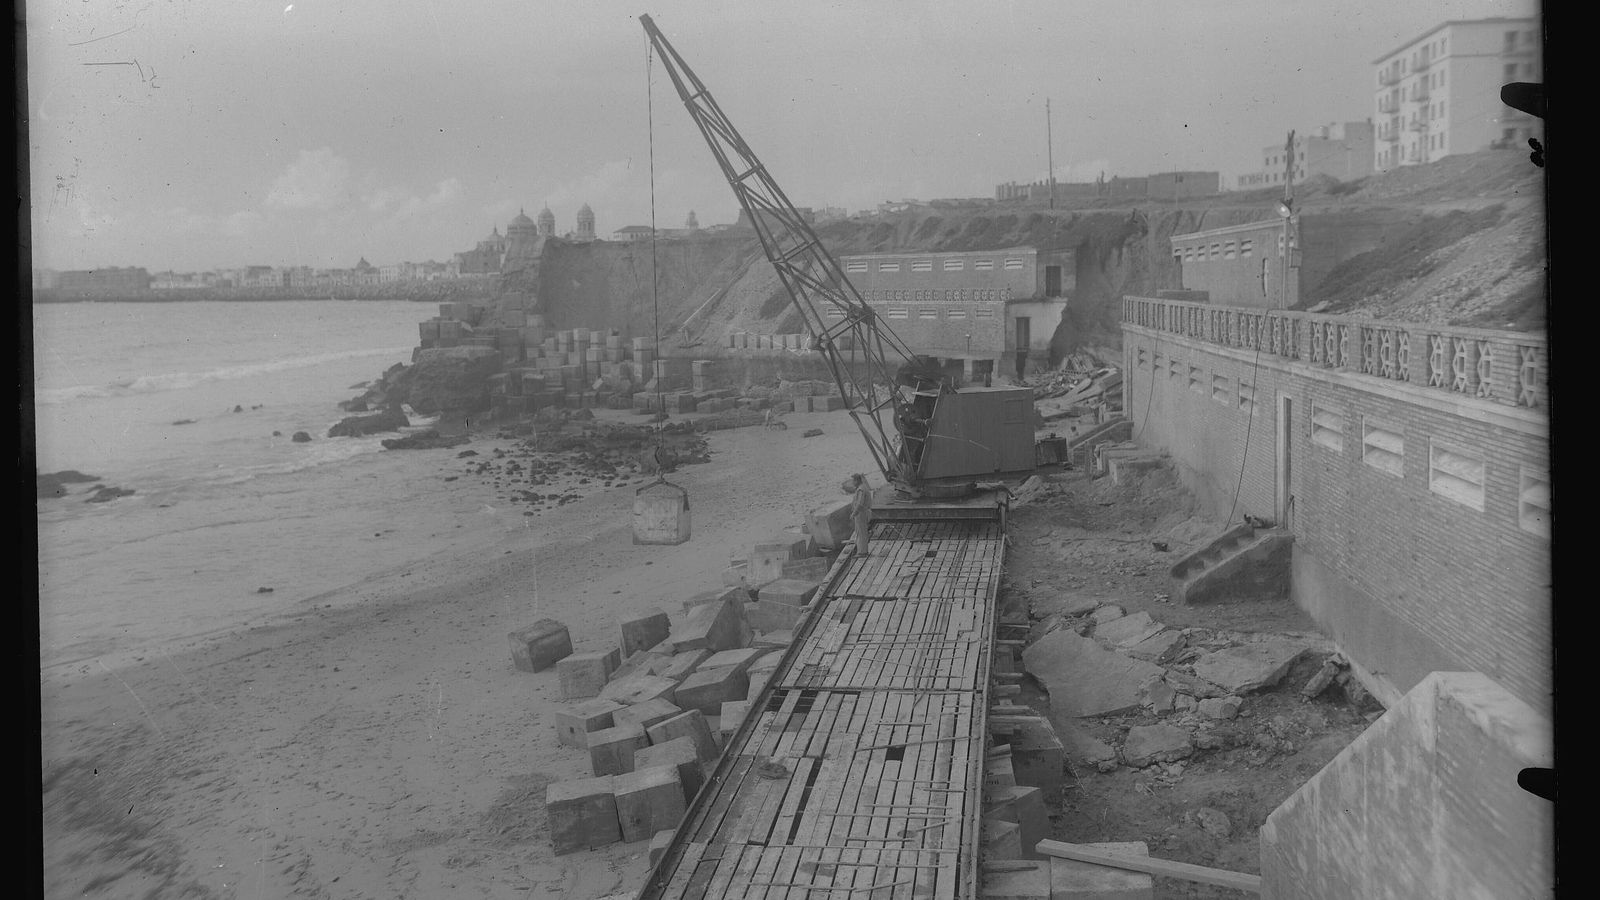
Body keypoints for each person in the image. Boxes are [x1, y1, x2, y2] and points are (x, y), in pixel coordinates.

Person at [842, 473, 873, 557]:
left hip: (861, 514)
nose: (852, 482)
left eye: (853, 480)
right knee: (861, 532)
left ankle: (862, 552)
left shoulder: (861, 489)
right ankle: (862, 550)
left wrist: (854, 513)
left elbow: (860, 504)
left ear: (857, 480)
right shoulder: (863, 487)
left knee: (861, 532)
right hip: (863, 513)